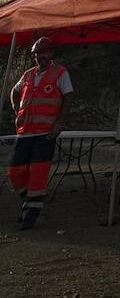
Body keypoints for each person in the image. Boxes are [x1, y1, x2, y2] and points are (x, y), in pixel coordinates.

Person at [7, 36, 74, 230]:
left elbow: (69, 96)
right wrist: (15, 110)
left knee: (38, 173)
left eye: (44, 52)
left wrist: (59, 122)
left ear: (52, 53)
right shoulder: (28, 74)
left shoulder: (60, 73)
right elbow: (14, 91)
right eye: (37, 53)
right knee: (15, 171)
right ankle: (30, 203)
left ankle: (32, 213)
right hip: (25, 132)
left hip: (45, 133)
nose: (41, 56)